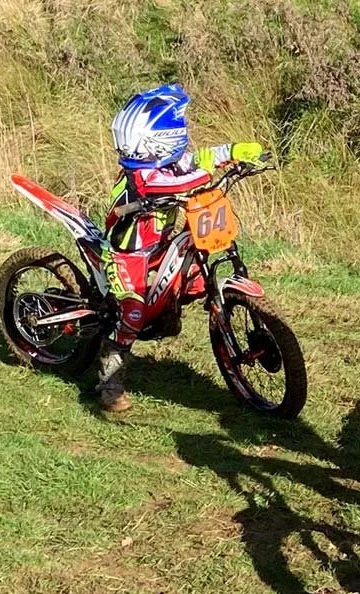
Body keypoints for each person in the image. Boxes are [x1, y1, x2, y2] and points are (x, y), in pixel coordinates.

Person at [100, 83, 265, 413]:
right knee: (133, 312)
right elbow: (181, 182)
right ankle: (110, 381)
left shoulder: (167, 164)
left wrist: (234, 151)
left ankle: (173, 315)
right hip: (126, 256)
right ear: (159, 140)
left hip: (159, 248)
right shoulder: (144, 177)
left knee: (198, 281)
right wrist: (206, 172)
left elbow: (199, 160)